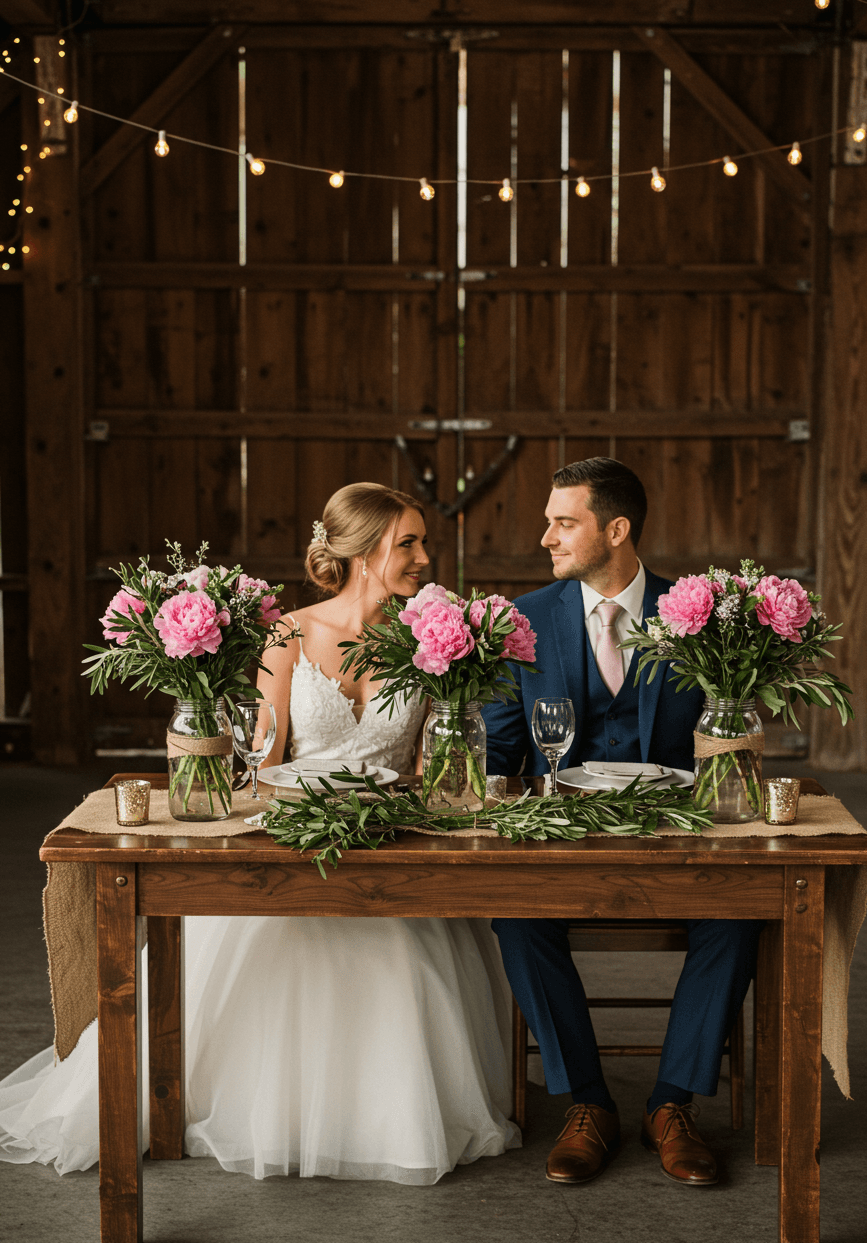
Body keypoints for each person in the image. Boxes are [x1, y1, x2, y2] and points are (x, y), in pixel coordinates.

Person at [0, 483, 520, 1185]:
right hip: (295, 836)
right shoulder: (291, 634)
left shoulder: (430, 643)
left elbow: (430, 768)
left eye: (423, 543)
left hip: (391, 839)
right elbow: (260, 761)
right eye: (409, 543)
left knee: (409, 942)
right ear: (363, 553)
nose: (426, 558)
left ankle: (386, 1114)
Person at [481, 457, 764, 1188]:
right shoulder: (528, 620)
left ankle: (671, 1105)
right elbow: (504, 747)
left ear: (617, 529)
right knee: (516, 917)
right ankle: (589, 1105)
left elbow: (727, 733)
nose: (545, 536)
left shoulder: (697, 615)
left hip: (679, 838)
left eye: (563, 521)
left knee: (740, 916)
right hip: (563, 838)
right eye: (548, 521)